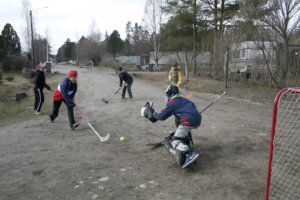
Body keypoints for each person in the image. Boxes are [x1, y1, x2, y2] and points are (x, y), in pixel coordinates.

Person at [141, 85, 201, 168]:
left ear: (171, 95)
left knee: (174, 141)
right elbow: (192, 109)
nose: (166, 98)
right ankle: (187, 143)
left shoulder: (172, 103)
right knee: (182, 126)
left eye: (167, 96)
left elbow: (162, 116)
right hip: (197, 120)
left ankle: (189, 154)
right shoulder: (186, 100)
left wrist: (153, 114)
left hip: (188, 121)